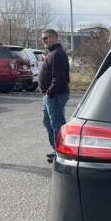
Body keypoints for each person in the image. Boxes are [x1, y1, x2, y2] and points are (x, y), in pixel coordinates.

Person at [39, 29, 71, 163]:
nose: (44, 40)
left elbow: (58, 78)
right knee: (47, 122)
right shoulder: (51, 53)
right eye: (43, 39)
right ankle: (56, 149)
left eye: (46, 38)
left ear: (54, 38)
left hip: (55, 95)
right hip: (50, 95)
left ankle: (62, 153)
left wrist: (49, 92)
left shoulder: (57, 54)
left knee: (57, 124)